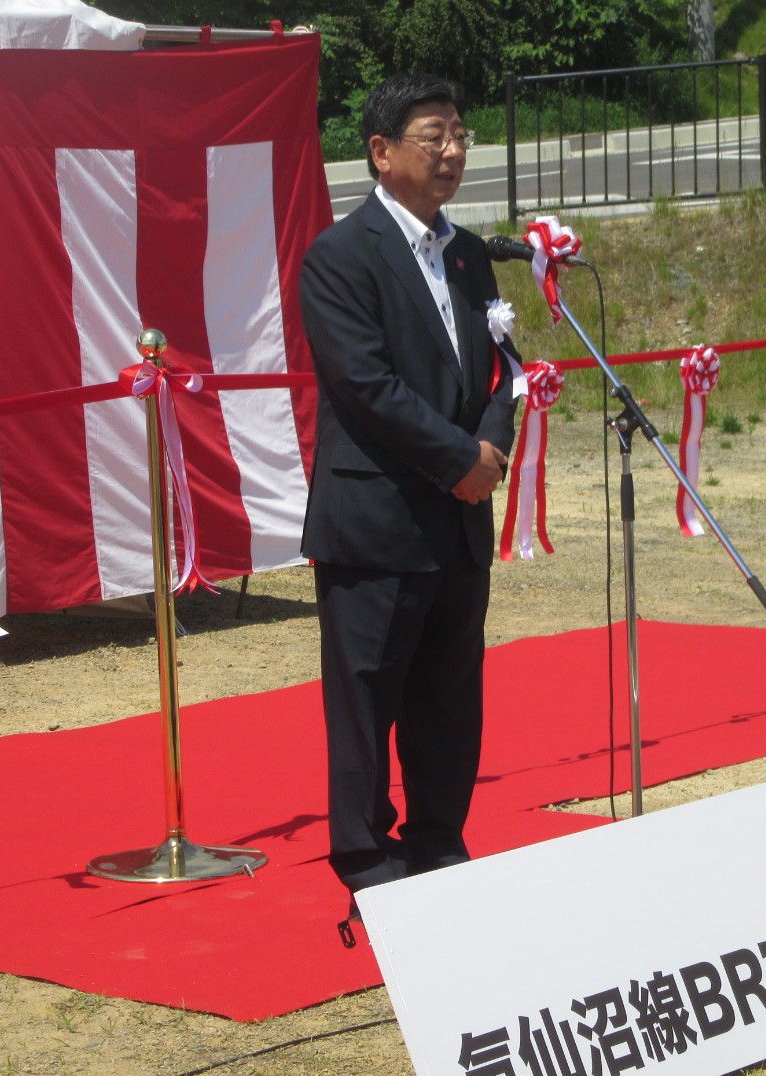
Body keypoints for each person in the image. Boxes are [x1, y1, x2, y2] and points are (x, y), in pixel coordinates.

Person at [298, 73, 517, 915]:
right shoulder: (341, 256)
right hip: (378, 520)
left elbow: (500, 365)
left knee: (450, 697)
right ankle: (366, 859)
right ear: (382, 152)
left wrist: (490, 443)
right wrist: (460, 457)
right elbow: (367, 386)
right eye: (435, 136)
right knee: (367, 698)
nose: (453, 150)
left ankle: (439, 842)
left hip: (461, 516)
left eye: (460, 134)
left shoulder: (468, 254)